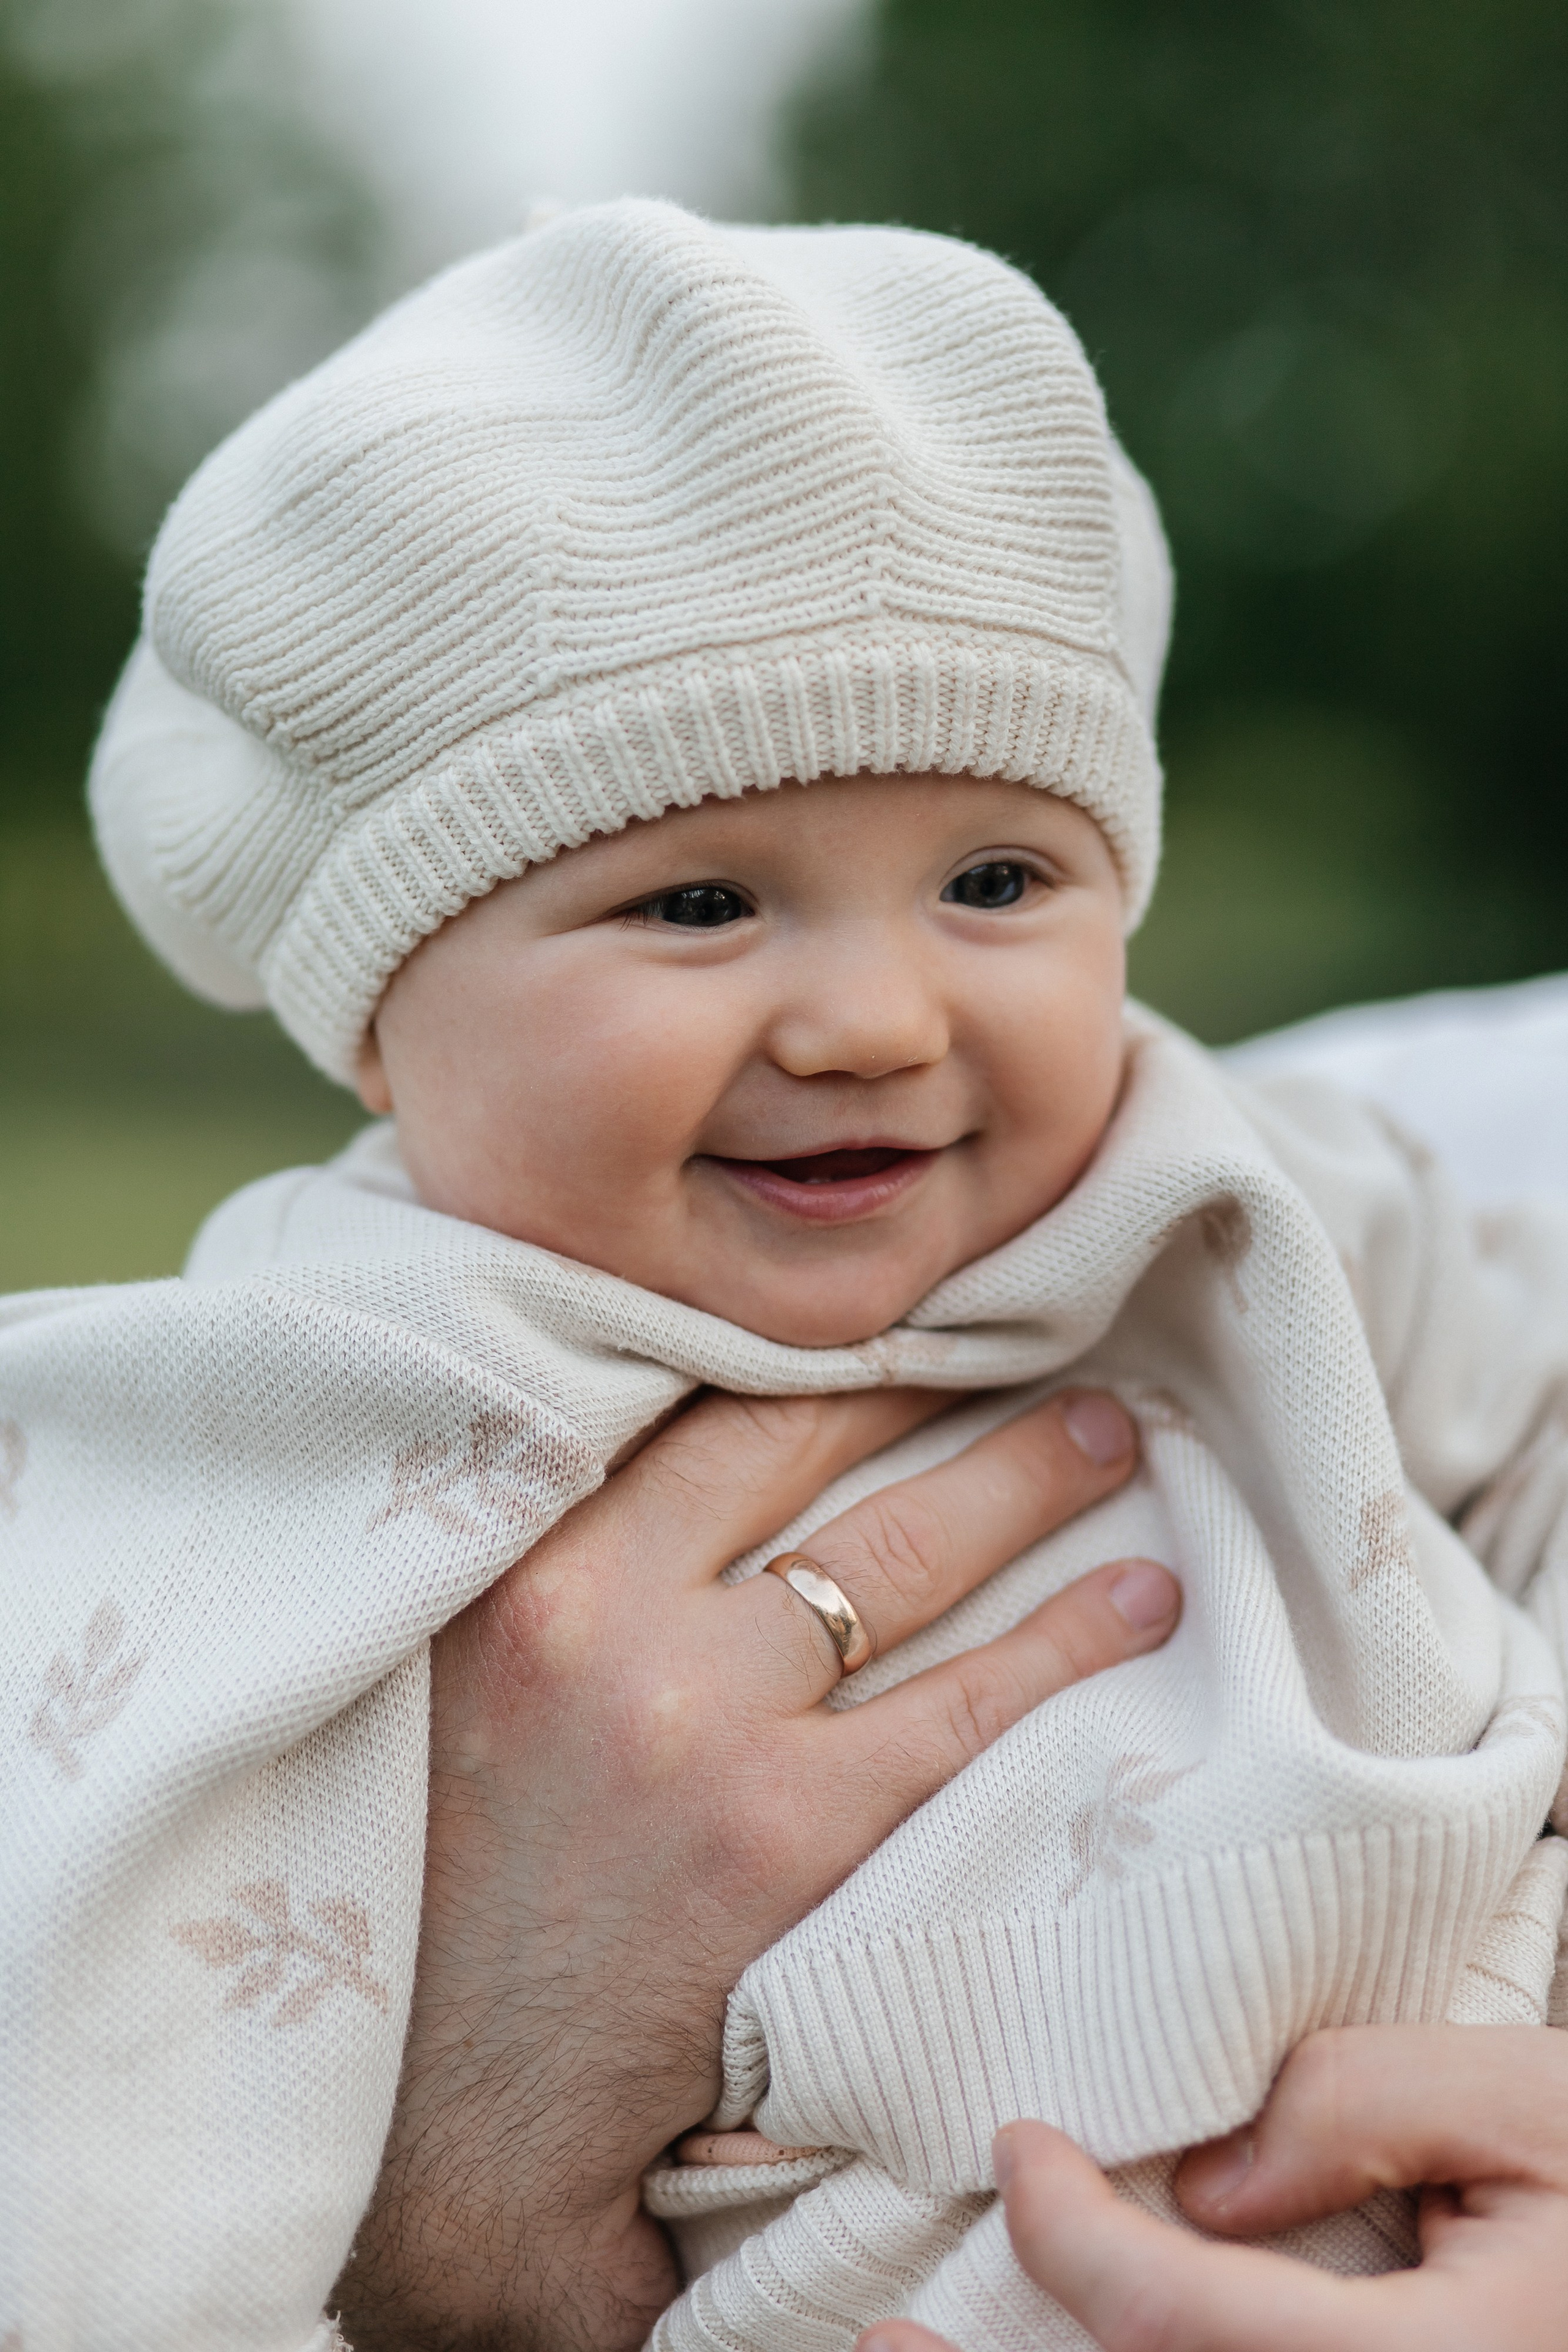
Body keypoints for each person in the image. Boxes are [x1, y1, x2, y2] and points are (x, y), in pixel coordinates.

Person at [6, 196, 1567, 2352]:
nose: (874, 1021)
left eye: (996, 879)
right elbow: (101, 1977)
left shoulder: (1228, 1188)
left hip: (1457, 2106)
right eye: (699, 904)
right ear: (378, 1020)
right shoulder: (313, 1379)